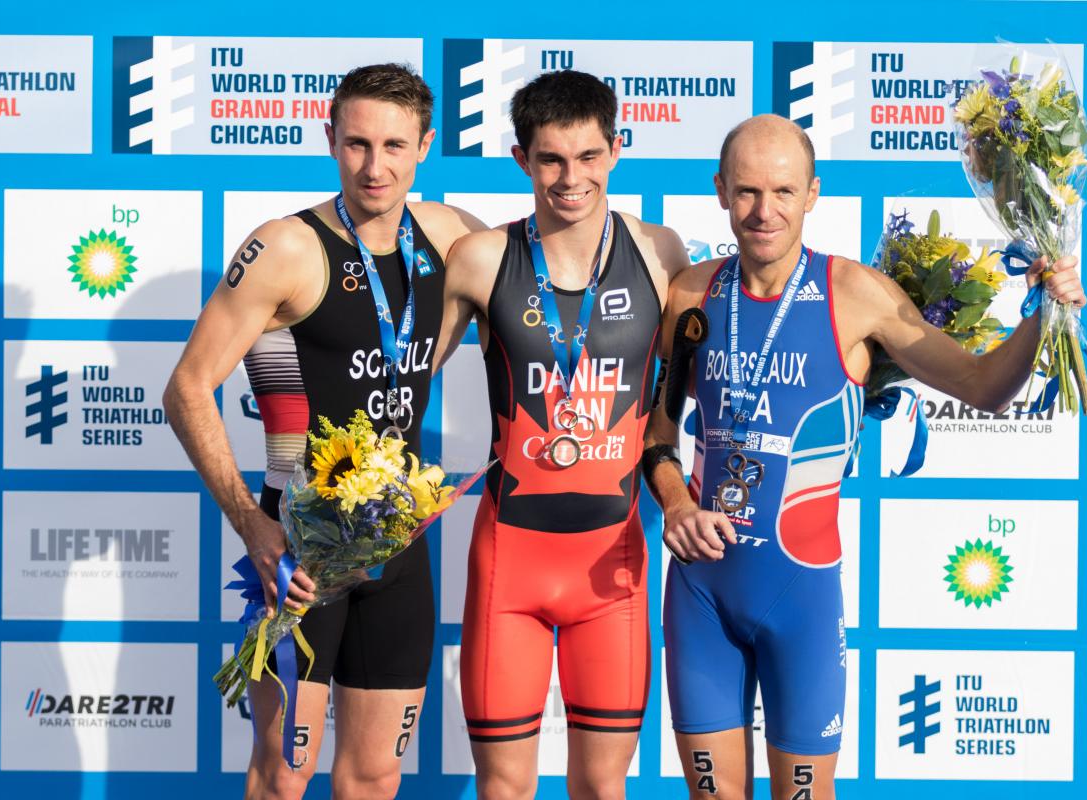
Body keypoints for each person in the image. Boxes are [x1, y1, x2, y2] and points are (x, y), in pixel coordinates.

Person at [642, 114, 1086, 800]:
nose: (765, 211)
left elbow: (982, 386)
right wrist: (674, 503)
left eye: (784, 192)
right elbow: (658, 432)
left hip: (801, 596)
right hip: (701, 593)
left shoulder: (857, 294)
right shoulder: (690, 295)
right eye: (748, 192)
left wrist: (1043, 316)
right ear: (721, 191)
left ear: (814, 194)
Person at [163, 63, 484, 800]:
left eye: (396, 146)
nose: (377, 167)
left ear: (426, 145)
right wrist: (252, 523)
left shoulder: (450, 234)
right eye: (358, 144)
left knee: (375, 775)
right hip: (299, 556)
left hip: (399, 553)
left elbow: (542, 272)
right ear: (330, 140)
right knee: (284, 773)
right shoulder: (287, 247)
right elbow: (186, 389)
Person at [435, 69, 691, 799]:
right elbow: (404, 375)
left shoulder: (659, 252)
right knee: (504, 789)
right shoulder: (483, 259)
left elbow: (713, 355)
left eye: (587, 157)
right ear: (522, 160)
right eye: (550, 159)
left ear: (616, 150)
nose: (569, 178)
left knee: (602, 790)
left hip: (612, 569)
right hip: (508, 563)